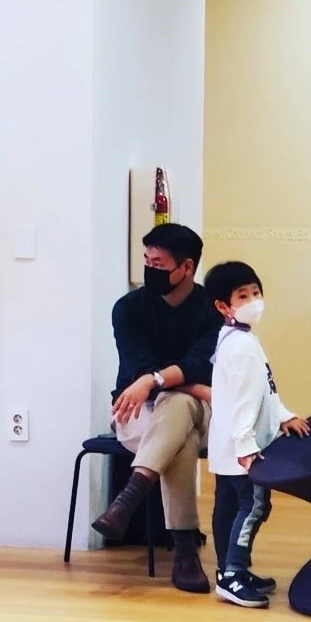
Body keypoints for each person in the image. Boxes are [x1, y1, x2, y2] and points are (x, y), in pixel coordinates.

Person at [91, 224, 222, 593]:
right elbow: (139, 366)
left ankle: (129, 498)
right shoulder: (128, 308)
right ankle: (185, 554)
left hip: (196, 411)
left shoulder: (211, 310)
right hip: (137, 412)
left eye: (159, 264)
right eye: (146, 261)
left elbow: (200, 363)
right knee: (180, 438)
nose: (149, 269)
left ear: (187, 267)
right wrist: (169, 382)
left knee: (178, 404)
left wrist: (154, 380)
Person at [203, 260, 310, 608]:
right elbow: (245, 401)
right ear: (223, 306)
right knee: (254, 505)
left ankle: (229, 570)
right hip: (243, 449)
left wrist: (283, 416)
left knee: (229, 505)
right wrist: (247, 446)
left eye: (256, 293)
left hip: (227, 445)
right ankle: (233, 575)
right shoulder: (243, 346)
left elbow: (264, 390)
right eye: (243, 296)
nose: (253, 301)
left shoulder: (234, 339)